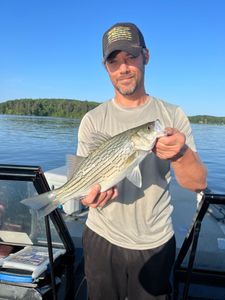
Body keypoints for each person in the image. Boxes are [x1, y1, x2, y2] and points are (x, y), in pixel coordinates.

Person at [76, 22, 207, 300]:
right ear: (106, 67)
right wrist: (88, 198)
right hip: (101, 237)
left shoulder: (171, 115)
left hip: (155, 242)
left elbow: (197, 183)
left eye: (131, 57)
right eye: (114, 62)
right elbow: (84, 181)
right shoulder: (92, 120)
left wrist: (181, 154)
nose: (123, 68)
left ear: (146, 56)